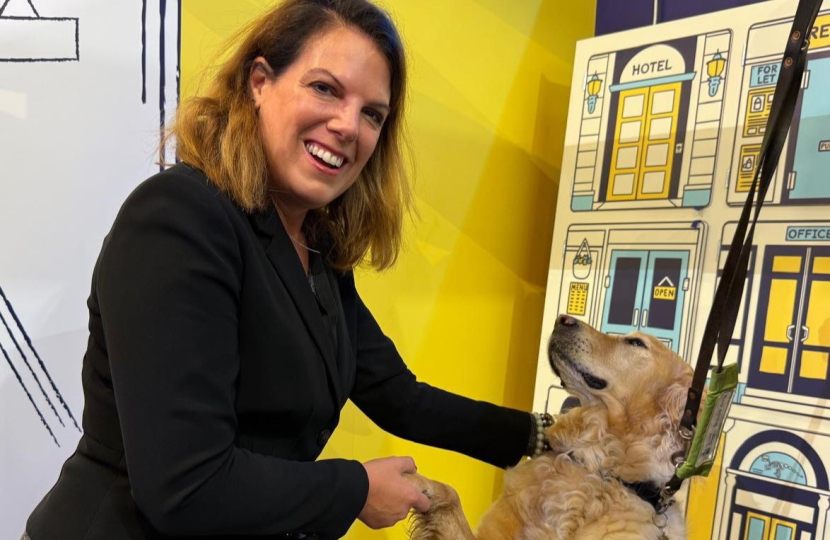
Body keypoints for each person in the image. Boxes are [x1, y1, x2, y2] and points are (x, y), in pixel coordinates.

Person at [24, 0, 547, 538]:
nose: (348, 125)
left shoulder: (314, 245)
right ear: (259, 82)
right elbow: (186, 487)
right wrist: (356, 489)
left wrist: (546, 437)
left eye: (373, 114)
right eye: (325, 88)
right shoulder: (178, 220)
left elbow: (400, 397)